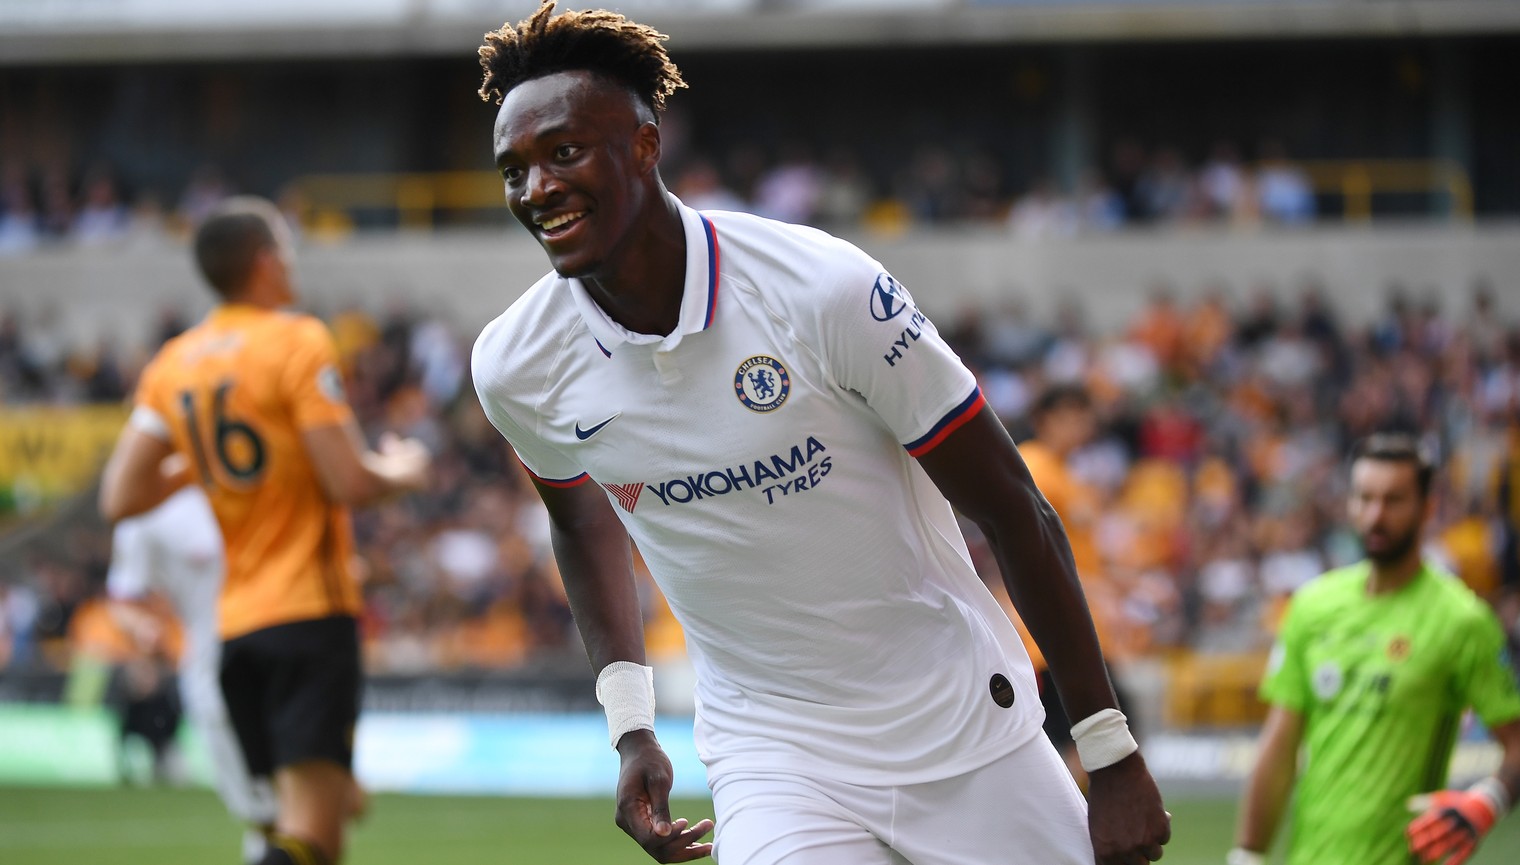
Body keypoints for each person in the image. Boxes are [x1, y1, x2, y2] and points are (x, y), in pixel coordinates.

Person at [469, 4, 1170, 864]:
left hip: (959, 729)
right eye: (514, 170)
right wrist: (632, 727)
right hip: (774, 755)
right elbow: (580, 521)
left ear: (647, 146)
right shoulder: (516, 363)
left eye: (564, 153)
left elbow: (1013, 506)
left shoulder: (822, 291)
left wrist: (1109, 749)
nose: (536, 188)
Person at [99, 196, 431, 865]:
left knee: (314, 824)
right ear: (264, 259)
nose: (291, 260)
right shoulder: (296, 339)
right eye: (285, 247)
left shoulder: (175, 362)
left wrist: (194, 464)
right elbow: (351, 482)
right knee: (308, 835)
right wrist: (408, 465)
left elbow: (120, 494)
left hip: (234, 627)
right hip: (309, 612)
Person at [1231, 433, 1520, 865]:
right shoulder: (1312, 606)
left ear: (1427, 507)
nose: (1376, 515)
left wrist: (1486, 802)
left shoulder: (1462, 620)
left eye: (1394, 500)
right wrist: (1247, 855)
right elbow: (1279, 746)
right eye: (1365, 498)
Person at [106, 484, 278, 864]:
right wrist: (143, 631)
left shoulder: (257, 476)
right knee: (266, 813)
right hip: (216, 674)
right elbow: (122, 600)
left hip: (292, 660)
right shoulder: (148, 506)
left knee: (308, 809)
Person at [1014, 384, 1134, 784]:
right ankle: (1075, 829)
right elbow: (1035, 548)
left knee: (1091, 739)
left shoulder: (1068, 475)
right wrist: (1097, 591)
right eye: (1066, 415)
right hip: (1055, 633)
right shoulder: (1036, 464)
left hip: (1078, 627)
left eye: (1083, 415)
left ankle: (1074, 829)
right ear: (1043, 420)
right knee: (1096, 736)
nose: (1078, 425)